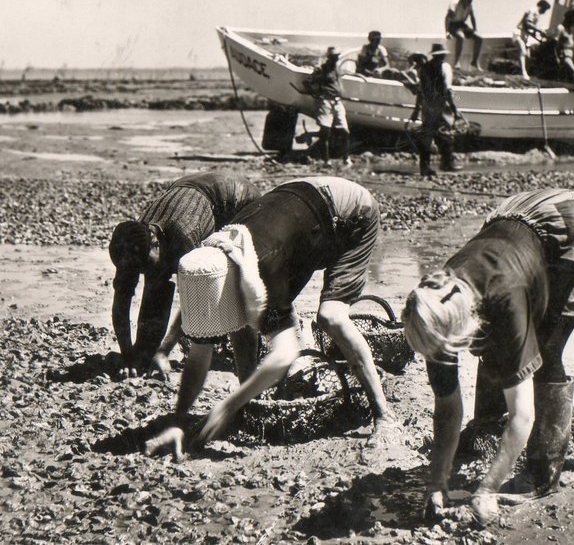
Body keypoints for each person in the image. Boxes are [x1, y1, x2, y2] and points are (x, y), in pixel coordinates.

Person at [402, 188, 574, 526]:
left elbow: (523, 415)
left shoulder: (505, 298)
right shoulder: (432, 301)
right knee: (498, 349)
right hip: (519, 221)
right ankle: (489, 433)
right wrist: (437, 481)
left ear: (465, 321)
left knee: (545, 350)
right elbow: (446, 407)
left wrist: (487, 489)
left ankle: (543, 473)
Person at [146, 176, 399, 459]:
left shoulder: (262, 268)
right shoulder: (212, 256)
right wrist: (180, 421)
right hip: (298, 207)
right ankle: (244, 407)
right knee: (240, 321)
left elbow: (283, 355)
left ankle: (384, 416)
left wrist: (227, 406)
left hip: (349, 212)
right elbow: (200, 348)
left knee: (331, 317)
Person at [108, 173, 261, 376]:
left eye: (147, 265)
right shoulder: (131, 243)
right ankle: (145, 353)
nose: (145, 273)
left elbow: (196, 298)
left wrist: (163, 351)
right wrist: (128, 355)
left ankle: (250, 357)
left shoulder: (184, 235)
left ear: (155, 242)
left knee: (231, 281)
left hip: (236, 199)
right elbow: (121, 300)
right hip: (192, 188)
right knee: (157, 279)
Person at [406, 43, 463, 176]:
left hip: (428, 107)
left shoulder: (424, 69)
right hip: (441, 106)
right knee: (446, 135)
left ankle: (425, 167)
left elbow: (421, 91)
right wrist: (455, 110)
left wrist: (417, 110)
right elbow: (447, 91)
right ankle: (446, 163)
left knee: (427, 136)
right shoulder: (443, 68)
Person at [303, 47, 350, 166]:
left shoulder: (337, 69)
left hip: (337, 102)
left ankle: (346, 159)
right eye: (334, 57)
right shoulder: (323, 69)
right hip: (325, 102)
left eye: (337, 56)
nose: (336, 59)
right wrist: (316, 94)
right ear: (329, 57)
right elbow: (307, 81)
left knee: (344, 131)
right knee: (325, 132)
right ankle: (326, 160)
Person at [445, 0, 483, 71]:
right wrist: (447, 31)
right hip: (453, 25)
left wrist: (475, 29)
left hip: (462, 24)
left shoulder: (470, 4)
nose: (470, 1)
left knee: (479, 38)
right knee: (460, 37)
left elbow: (472, 17)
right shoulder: (455, 4)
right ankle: (456, 62)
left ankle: (474, 62)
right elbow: (447, 18)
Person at [513, 0, 551, 77]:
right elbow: (527, 23)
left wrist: (540, 39)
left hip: (525, 36)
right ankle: (523, 73)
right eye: (545, 9)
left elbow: (531, 30)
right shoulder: (533, 10)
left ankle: (520, 73)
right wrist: (540, 31)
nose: (545, 12)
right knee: (523, 51)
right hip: (519, 33)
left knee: (528, 57)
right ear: (542, 6)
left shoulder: (537, 14)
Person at [551, 9, 574, 84]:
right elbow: (553, 44)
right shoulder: (560, 28)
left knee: (566, 76)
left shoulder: (569, 30)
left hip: (569, 56)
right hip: (563, 56)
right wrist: (556, 58)